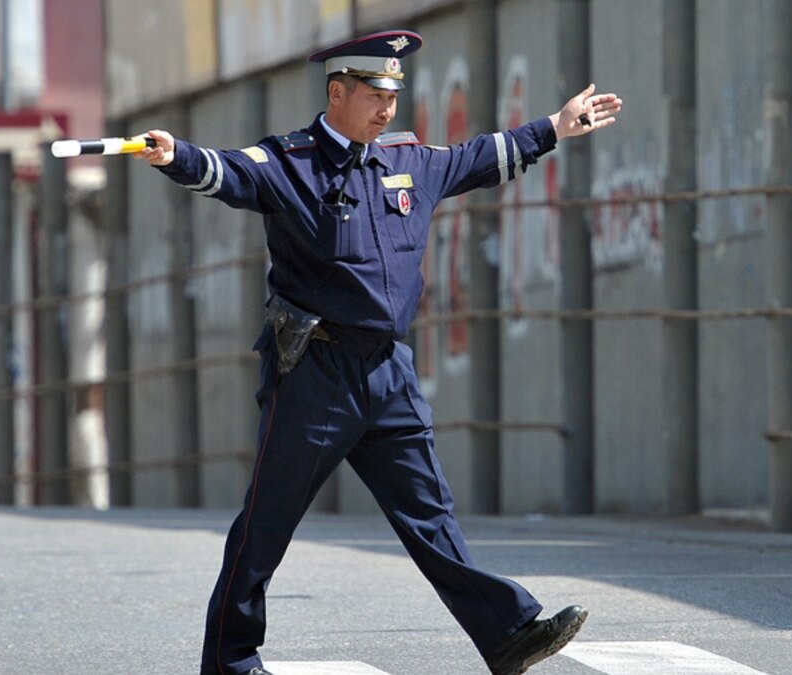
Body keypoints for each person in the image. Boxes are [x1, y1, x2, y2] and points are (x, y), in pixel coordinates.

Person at [135, 29, 622, 675]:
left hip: (388, 372)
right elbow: (228, 173)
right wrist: (177, 157)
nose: (388, 106)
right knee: (266, 523)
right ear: (337, 93)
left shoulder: (410, 160)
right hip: (315, 372)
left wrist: (555, 127)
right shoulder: (291, 162)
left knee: (431, 515)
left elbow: (482, 156)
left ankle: (506, 633)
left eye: (393, 93)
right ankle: (229, 657)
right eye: (373, 94)